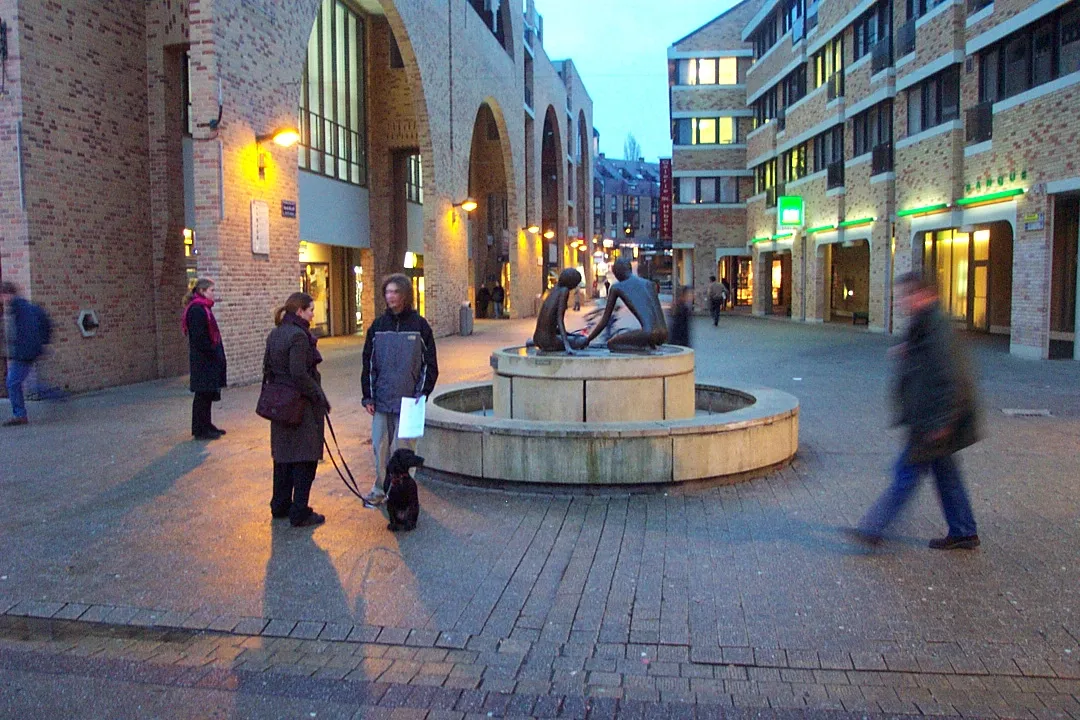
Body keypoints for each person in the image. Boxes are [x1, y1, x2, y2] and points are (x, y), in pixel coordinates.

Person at [849, 273, 982, 550]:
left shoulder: (937, 328)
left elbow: (952, 379)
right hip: (932, 418)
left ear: (923, 295)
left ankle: (873, 527)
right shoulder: (925, 325)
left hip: (933, 421)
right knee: (946, 474)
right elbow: (930, 363)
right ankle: (964, 530)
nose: (902, 303)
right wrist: (907, 352)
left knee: (906, 473)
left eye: (906, 296)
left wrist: (942, 423)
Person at [361, 274, 439, 505]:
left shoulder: (420, 326)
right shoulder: (377, 327)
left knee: (404, 453)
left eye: (395, 292)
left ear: (405, 295)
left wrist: (422, 393)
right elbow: (369, 363)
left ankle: (402, 494)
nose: (390, 296)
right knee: (380, 448)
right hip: (383, 400)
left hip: (410, 401)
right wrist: (368, 396)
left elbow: (430, 364)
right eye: (387, 292)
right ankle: (379, 490)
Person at [264, 292, 330, 527]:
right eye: (311, 310)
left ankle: (280, 504)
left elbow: (268, 368)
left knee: (283, 457)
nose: (313, 314)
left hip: (279, 403)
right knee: (305, 457)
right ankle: (299, 510)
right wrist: (318, 396)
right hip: (299, 405)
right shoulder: (299, 336)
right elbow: (299, 373)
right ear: (300, 311)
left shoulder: (276, 333)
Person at [583, 258, 668, 351]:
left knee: (612, 344)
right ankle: (645, 346)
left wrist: (588, 339)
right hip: (663, 334)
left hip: (648, 333)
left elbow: (605, 320)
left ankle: (641, 351)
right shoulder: (649, 283)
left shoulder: (617, 287)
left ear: (617, 272)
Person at [2, 282, 54, 427]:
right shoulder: (28, 307)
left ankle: (20, 415)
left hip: (24, 353)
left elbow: (27, 331)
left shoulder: (19, 308)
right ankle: (55, 395)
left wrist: (24, 350)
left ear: (6, 295)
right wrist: (43, 343)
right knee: (28, 383)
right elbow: (46, 321)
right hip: (29, 351)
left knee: (12, 382)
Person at [182, 278, 228, 440]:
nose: (214, 294)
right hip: (203, 360)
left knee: (207, 393)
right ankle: (200, 429)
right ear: (202, 291)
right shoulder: (197, 310)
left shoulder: (204, 309)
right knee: (202, 394)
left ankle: (206, 424)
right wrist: (212, 352)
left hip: (207, 359)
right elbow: (199, 338)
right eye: (211, 290)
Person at [532, 269, 590, 353]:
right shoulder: (564, 291)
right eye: (576, 284)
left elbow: (550, 324)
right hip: (548, 341)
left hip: (537, 338)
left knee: (576, 336)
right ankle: (552, 343)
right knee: (583, 340)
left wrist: (569, 334)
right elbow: (560, 320)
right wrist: (567, 346)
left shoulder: (554, 289)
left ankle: (532, 342)